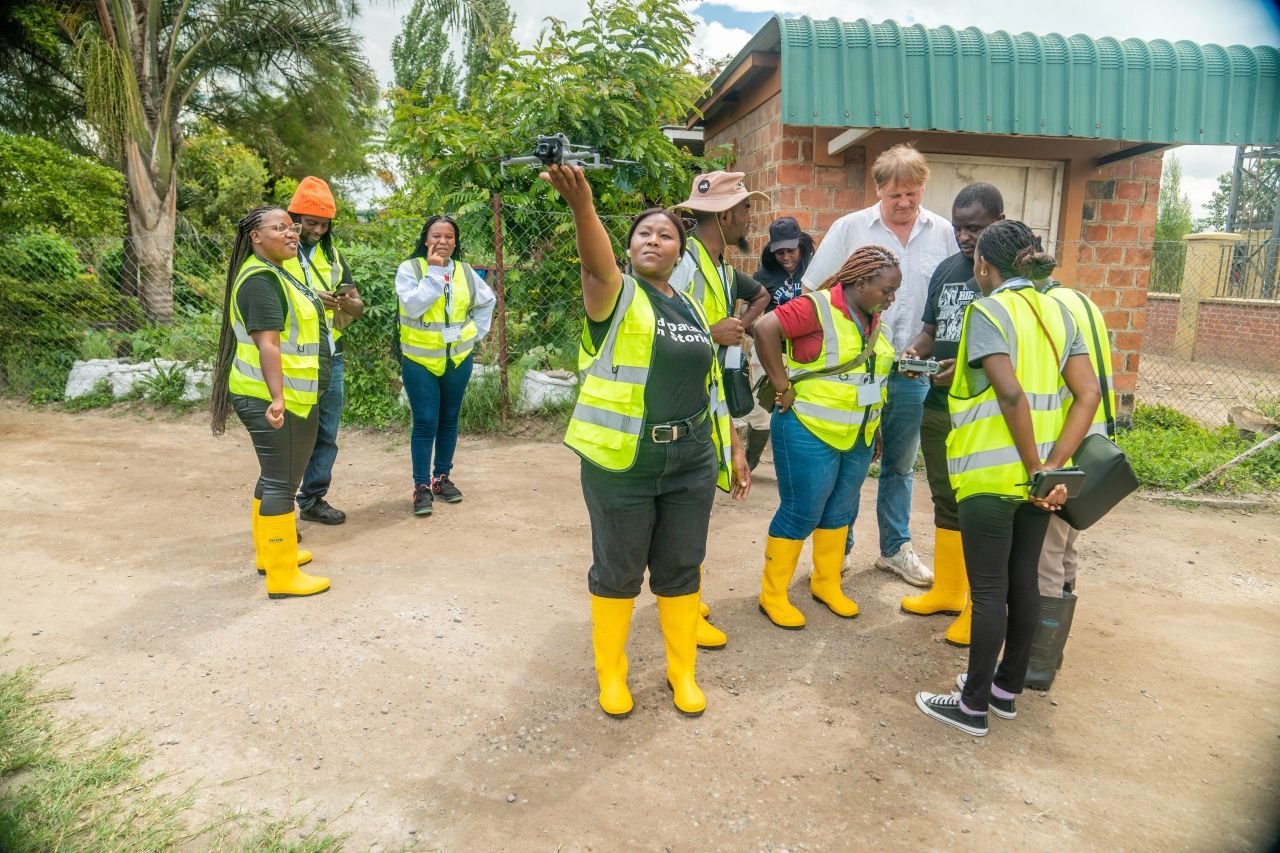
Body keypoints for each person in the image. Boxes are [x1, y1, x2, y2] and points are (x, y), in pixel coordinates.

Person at [541, 163, 750, 719]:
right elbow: (595, 260)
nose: (654, 240)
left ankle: (682, 673)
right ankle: (613, 675)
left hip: (689, 461)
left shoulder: (689, 309)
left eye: (666, 235)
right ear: (628, 248)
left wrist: (731, 443)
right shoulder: (613, 295)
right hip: (622, 464)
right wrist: (583, 207)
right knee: (618, 572)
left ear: (680, 254)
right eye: (643, 233)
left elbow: (708, 383)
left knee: (682, 568)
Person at [915, 220, 1100, 736]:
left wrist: (1035, 467)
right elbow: (1087, 394)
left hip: (992, 477)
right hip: (1042, 483)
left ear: (983, 265)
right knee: (1024, 585)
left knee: (989, 591)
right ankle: (1004, 690)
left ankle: (970, 707)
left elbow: (1012, 393)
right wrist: (1054, 467)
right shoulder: (1061, 312)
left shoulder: (988, 309)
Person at [802, 144, 958, 586]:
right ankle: (838, 549)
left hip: (912, 371)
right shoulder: (851, 228)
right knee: (850, 458)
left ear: (922, 188)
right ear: (879, 190)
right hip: (856, 370)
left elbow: (945, 298)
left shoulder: (942, 232)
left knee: (901, 465)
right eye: (896, 195)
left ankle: (894, 548)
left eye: (913, 193)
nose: (905, 203)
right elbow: (813, 290)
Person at [752, 246, 900, 629]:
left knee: (840, 512)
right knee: (801, 511)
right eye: (886, 290)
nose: (891, 299)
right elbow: (765, 328)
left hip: (857, 434)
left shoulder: (871, 319)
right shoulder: (816, 307)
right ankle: (772, 594)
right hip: (808, 429)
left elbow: (869, 377)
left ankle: (826, 582)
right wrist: (781, 386)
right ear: (861, 281)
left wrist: (875, 427)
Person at [897, 183, 1005, 646]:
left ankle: (977, 608)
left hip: (988, 413)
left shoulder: (1013, 278)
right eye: (959, 226)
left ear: (999, 221)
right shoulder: (946, 270)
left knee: (980, 507)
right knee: (944, 499)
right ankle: (947, 590)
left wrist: (959, 369)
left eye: (975, 228)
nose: (963, 236)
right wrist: (912, 353)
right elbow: (929, 331)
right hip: (939, 407)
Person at [670, 170, 771, 651]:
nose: (750, 217)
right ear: (727, 214)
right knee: (686, 517)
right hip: (681, 404)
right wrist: (713, 333)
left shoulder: (716, 263)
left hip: (705, 401)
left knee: (695, 514)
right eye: (747, 208)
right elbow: (658, 325)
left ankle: (688, 596)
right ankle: (682, 607)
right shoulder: (685, 260)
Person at [210, 206, 331, 599]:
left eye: (290, 226)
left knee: (273, 476)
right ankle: (282, 575)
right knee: (283, 481)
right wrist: (278, 398)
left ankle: (272, 555)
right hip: (275, 398)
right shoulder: (261, 279)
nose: (291, 233)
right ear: (255, 237)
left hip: (278, 393)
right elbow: (268, 343)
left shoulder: (275, 271)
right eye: (279, 228)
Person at [1025, 276, 1116, 689]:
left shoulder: (1048, 311)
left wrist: (1050, 463)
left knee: (1044, 553)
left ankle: (1034, 663)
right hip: (1095, 446)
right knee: (1064, 551)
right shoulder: (1083, 300)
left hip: (1066, 444)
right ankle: (1049, 657)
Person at [395, 215, 496, 517]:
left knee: (449, 419)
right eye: (436, 236)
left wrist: (474, 335)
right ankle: (421, 486)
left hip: (457, 360)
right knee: (426, 421)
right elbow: (413, 305)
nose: (443, 242)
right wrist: (435, 272)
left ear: (456, 241)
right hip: (420, 360)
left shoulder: (465, 271)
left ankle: (441, 478)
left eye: (449, 237)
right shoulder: (410, 269)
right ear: (425, 239)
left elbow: (487, 301)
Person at [283, 176, 363, 526]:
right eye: (309, 223)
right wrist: (315, 301)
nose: (316, 230)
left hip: (331, 356)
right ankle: (279, 506)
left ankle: (313, 499)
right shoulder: (279, 252)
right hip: (294, 357)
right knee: (292, 435)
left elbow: (357, 306)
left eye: (323, 224)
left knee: (327, 432)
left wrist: (347, 303)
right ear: (294, 218)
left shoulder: (333, 256)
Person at [743, 216, 816, 470]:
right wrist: (765, 332)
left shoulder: (815, 269)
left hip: (804, 354)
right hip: (769, 350)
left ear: (801, 245)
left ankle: (793, 465)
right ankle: (748, 464)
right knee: (762, 411)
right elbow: (750, 315)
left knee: (799, 409)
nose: (786, 257)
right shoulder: (764, 275)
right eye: (780, 252)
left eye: (791, 250)